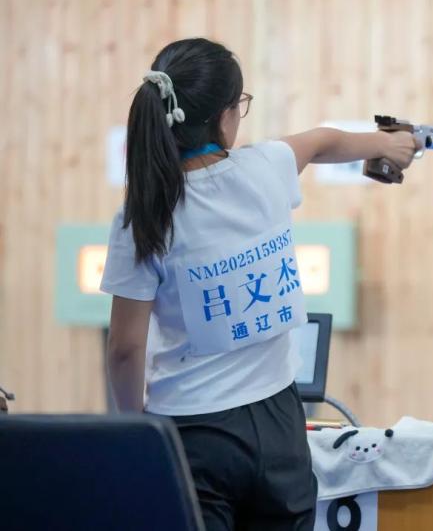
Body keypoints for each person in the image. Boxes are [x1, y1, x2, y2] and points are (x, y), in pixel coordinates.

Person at [100, 37, 415, 531]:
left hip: (192, 434)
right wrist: (384, 145)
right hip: (278, 423)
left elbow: (124, 348)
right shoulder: (266, 167)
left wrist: (134, 427)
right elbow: (322, 140)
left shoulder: (142, 215)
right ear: (225, 117)